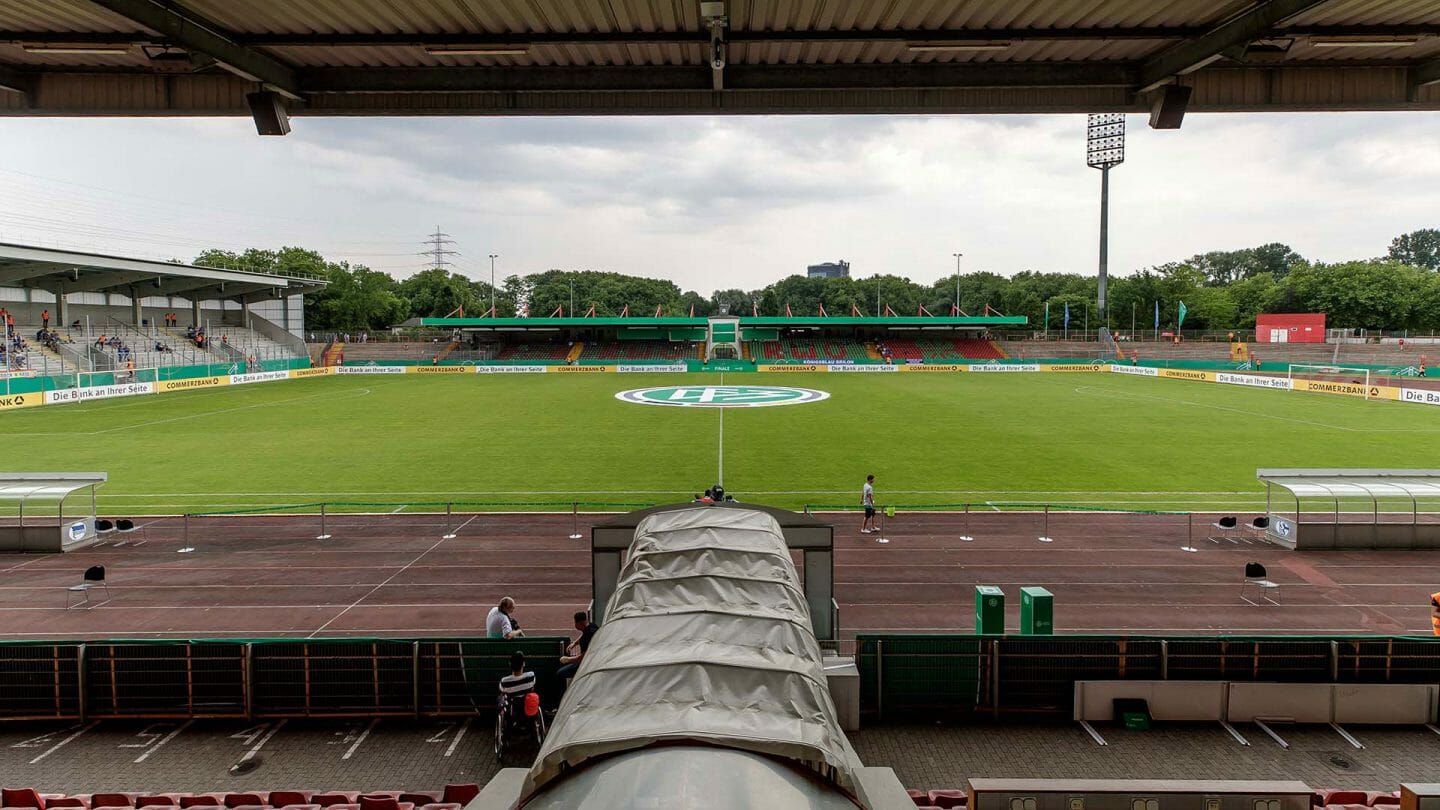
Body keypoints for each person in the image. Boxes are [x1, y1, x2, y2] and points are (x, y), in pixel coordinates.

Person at [556, 610, 599, 681]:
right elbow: (583, 636)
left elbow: (582, 658)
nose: (575, 625)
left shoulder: (588, 636)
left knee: (560, 673)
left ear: (580, 623)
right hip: (592, 660)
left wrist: (568, 659)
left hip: (587, 664)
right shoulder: (592, 626)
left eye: (575, 622)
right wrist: (574, 643)